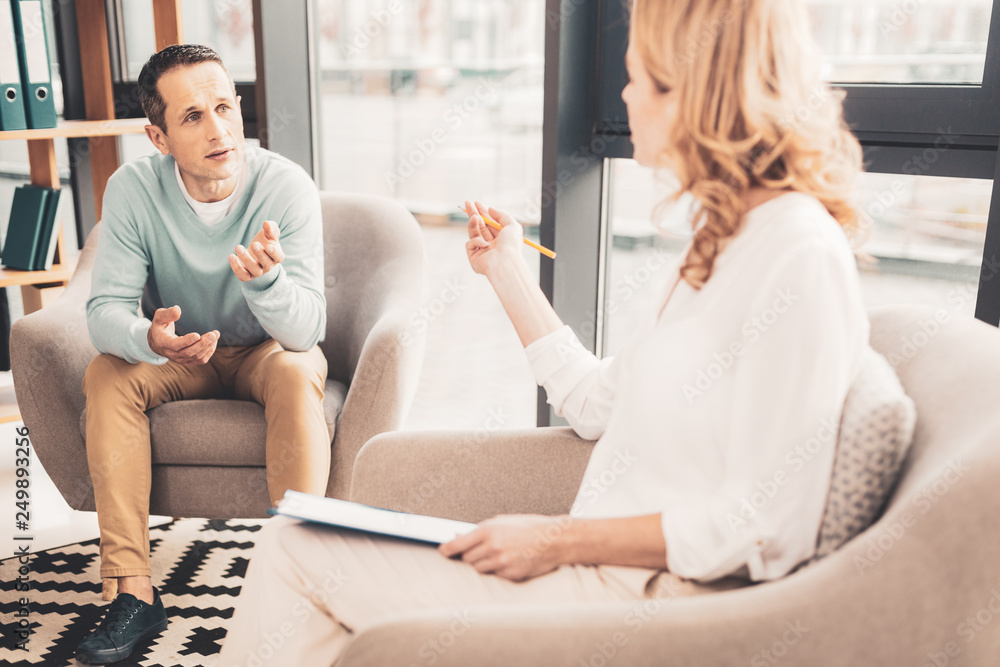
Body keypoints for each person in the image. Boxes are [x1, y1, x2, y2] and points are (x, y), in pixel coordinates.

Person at [218, 0, 869, 663]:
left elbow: (769, 526)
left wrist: (555, 540)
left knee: (292, 553)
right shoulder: (723, 239)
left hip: (647, 606)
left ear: (696, 95)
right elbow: (593, 402)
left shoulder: (799, 254)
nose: (623, 94)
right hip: (591, 576)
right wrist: (506, 271)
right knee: (307, 557)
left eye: (637, 77)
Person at [75, 44, 329, 665]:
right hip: (180, 355)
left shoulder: (286, 186)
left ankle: (298, 577)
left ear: (240, 109)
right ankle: (132, 591)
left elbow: (308, 330)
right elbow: (103, 308)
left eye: (223, 107)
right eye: (192, 117)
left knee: (298, 373)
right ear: (157, 136)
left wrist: (267, 285)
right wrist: (147, 339)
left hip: (266, 351)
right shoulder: (134, 188)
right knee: (107, 374)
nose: (218, 130)